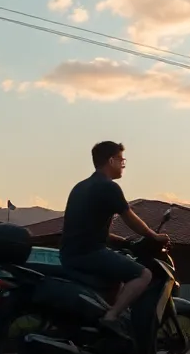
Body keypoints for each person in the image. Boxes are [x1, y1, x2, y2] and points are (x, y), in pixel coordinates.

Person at [59, 141, 169, 340]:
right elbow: (130, 218)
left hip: (69, 255)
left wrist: (125, 243)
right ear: (111, 161)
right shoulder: (108, 187)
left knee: (115, 280)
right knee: (143, 274)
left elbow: (96, 231)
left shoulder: (80, 187)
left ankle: (101, 329)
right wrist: (154, 236)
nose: (123, 165)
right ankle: (111, 316)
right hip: (90, 254)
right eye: (121, 160)